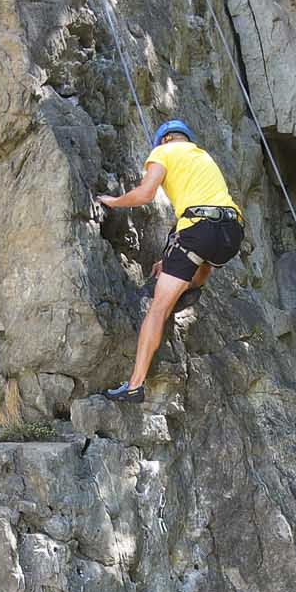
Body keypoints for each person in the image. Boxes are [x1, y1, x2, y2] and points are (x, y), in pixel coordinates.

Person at [94, 119, 245, 403]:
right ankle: (189, 287)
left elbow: (145, 194)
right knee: (200, 260)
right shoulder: (203, 157)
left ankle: (134, 385)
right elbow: (190, 218)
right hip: (231, 233)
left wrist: (113, 201)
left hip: (199, 229)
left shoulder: (163, 152)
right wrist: (168, 258)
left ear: (165, 139)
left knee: (157, 309)